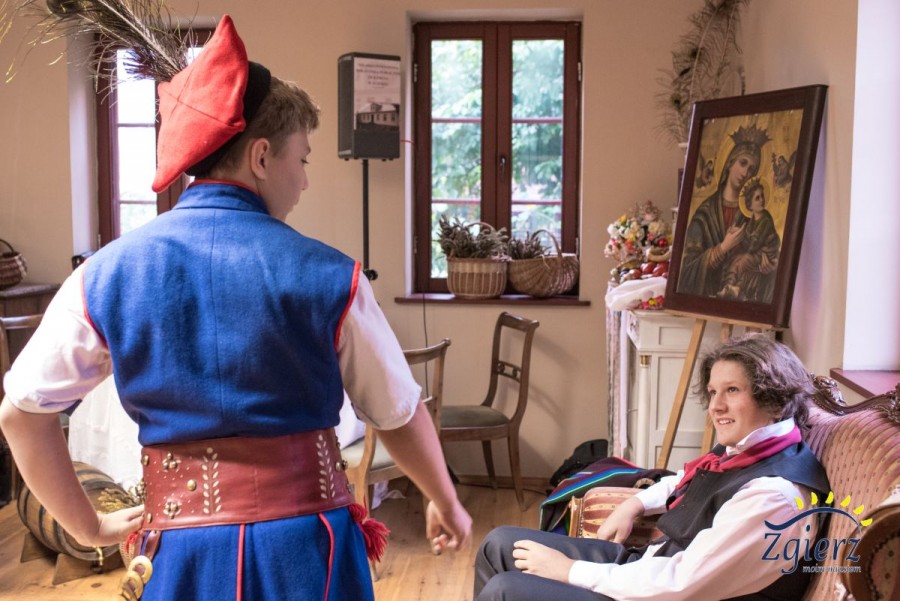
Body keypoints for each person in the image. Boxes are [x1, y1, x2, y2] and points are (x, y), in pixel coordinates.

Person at [0, 14, 470, 601]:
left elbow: (21, 414)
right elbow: (396, 411)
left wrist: (87, 527)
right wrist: (444, 498)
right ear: (262, 157)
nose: (304, 181)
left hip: (181, 558)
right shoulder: (333, 275)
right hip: (309, 552)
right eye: (302, 159)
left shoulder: (102, 275)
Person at [474, 334, 829, 601]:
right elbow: (687, 480)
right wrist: (635, 503)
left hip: (666, 588)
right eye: (713, 392)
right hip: (650, 566)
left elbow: (682, 583)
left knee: (506, 590)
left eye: (732, 390)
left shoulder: (773, 498)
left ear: (774, 398)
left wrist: (569, 571)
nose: (716, 406)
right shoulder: (754, 444)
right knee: (499, 544)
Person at [677, 124, 771, 298]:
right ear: (729, 163)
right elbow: (687, 270)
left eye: (751, 169)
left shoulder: (753, 214)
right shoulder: (705, 214)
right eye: (742, 163)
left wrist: (766, 263)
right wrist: (723, 248)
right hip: (708, 300)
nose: (745, 172)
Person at [717, 177, 781, 303]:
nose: (761, 200)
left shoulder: (765, 219)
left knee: (742, 262)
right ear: (750, 205)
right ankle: (733, 287)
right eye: (757, 198)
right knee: (737, 260)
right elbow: (749, 242)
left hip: (766, 254)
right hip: (757, 253)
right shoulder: (752, 220)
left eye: (762, 196)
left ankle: (730, 286)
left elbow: (754, 244)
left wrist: (742, 236)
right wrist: (738, 233)